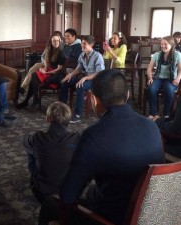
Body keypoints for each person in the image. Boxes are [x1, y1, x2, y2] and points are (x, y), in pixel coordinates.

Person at [38, 69, 165, 225]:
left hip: (113, 218)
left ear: (95, 101)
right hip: (154, 214)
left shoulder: (93, 136)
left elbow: (68, 195)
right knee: (93, 191)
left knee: (50, 203)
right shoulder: (151, 126)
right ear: (128, 95)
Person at [21, 101, 80, 202]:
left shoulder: (38, 137)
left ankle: (36, 176)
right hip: (71, 193)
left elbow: (23, 140)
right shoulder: (77, 138)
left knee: (31, 149)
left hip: (42, 193)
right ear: (69, 120)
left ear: (47, 119)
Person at [59, 35, 105, 123]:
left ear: (91, 45)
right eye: (82, 44)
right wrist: (71, 74)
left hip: (96, 80)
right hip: (86, 78)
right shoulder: (82, 54)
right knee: (64, 82)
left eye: (84, 44)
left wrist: (85, 78)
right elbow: (79, 68)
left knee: (80, 86)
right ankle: (62, 109)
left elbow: (99, 73)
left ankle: (77, 114)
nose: (82, 46)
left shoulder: (97, 56)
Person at [16, 34, 66, 108]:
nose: (55, 42)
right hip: (49, 70)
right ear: (51, 42)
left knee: (34, 77)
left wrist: (46, 72)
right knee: (34, 75)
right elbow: (47, 63)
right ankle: (32, 99)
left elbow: (58, 69)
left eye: (57, 41)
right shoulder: (50, 50)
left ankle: (31, 100)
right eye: (54, 41)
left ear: (60, 42)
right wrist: (44, 68)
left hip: (55, 74)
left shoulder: (61, 53)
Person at [146, 36, 181, 120]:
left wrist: (178, 78)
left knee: (169, 90)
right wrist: (150, 78)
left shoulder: (177, 54)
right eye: (161, 44)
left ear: (172, 45)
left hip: (171, 78)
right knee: (151, 89)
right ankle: (153, 113)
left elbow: (180, 69)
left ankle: (166, 113)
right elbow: (149, 68)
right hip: (158, 77)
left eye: (165, 44)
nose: (163, 46)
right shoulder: (157, 54)